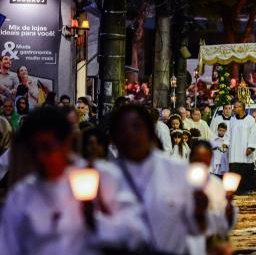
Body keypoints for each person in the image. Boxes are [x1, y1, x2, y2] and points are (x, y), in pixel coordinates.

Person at [0, 107, 149, 254]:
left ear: (67, 143)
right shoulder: (22, 195)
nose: (40, 156)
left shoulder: (102, 177)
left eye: (47, 147)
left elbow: (137, 235)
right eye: (33, 149)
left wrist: (96, 220)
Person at [109, 104, 209, 253]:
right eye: (123, 130)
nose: (130, 135)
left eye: (136, 128)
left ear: (149, 133)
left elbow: (195, 228)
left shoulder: (177, 171)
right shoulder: (106, 174)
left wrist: (199, 211)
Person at [187, 141, 237, 255]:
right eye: (197, 160)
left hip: (210, 243)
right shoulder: (178, 181)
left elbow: (224, 223)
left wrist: (228, 208)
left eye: (205, 161)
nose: (201, 165)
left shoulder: (217, 184)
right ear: (190, 159)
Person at [228, 101, 256, 194]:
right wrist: (226, 143)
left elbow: (253, 134)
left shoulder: (250, 119)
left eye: (237, 107)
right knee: (234, 169)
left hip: (245, 150)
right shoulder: (232, 120)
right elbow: (228, 134)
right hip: (234, 150)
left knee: (245, 170)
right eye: (234, 107)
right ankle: (235, 189)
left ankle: (246, 189)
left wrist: (251, 147)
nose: (235, 109)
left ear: (242, 108)